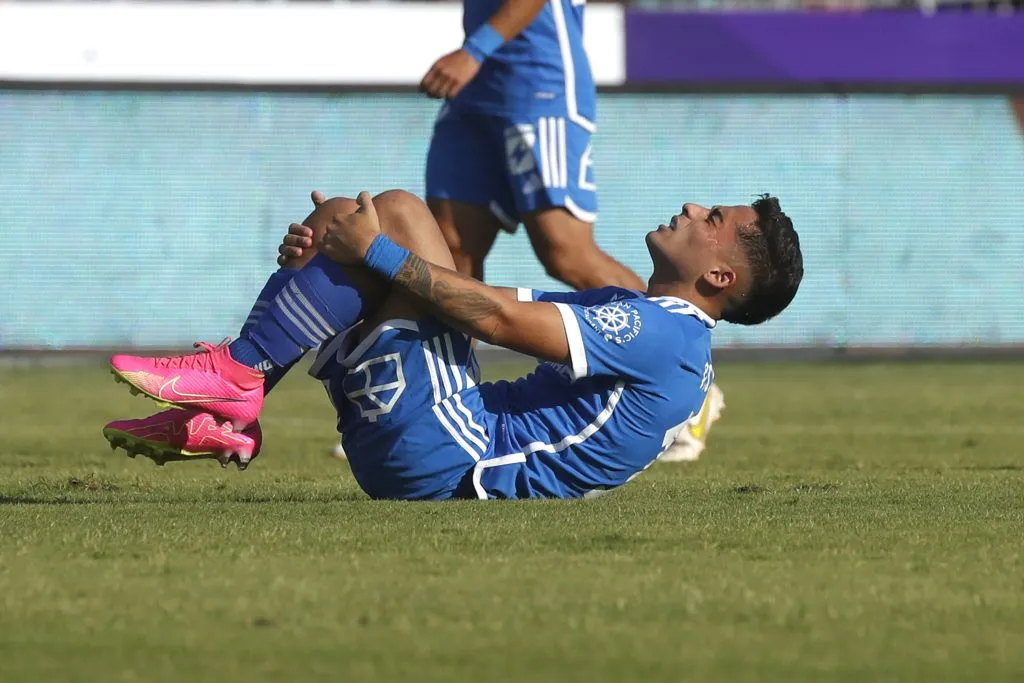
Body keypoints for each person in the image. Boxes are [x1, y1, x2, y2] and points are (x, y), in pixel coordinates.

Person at [102, 189, 802, 500]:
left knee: (392, 220)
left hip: (454, 456)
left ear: (719, 274)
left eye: (711, 217)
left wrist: (371, 252)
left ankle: (237, 376)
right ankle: (233, 398)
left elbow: (491, 320)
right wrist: (343, 251)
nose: (688, 207)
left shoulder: (662, 332)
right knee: (356, 221)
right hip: (443, 446)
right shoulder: (650, 321)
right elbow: (477, 300)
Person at [416, 0, 725, 462]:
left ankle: (687, 386)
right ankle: (437, 411)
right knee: (452, 251)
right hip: (475, 91)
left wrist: (475, 50)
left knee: (566, 250)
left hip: (538, 79)